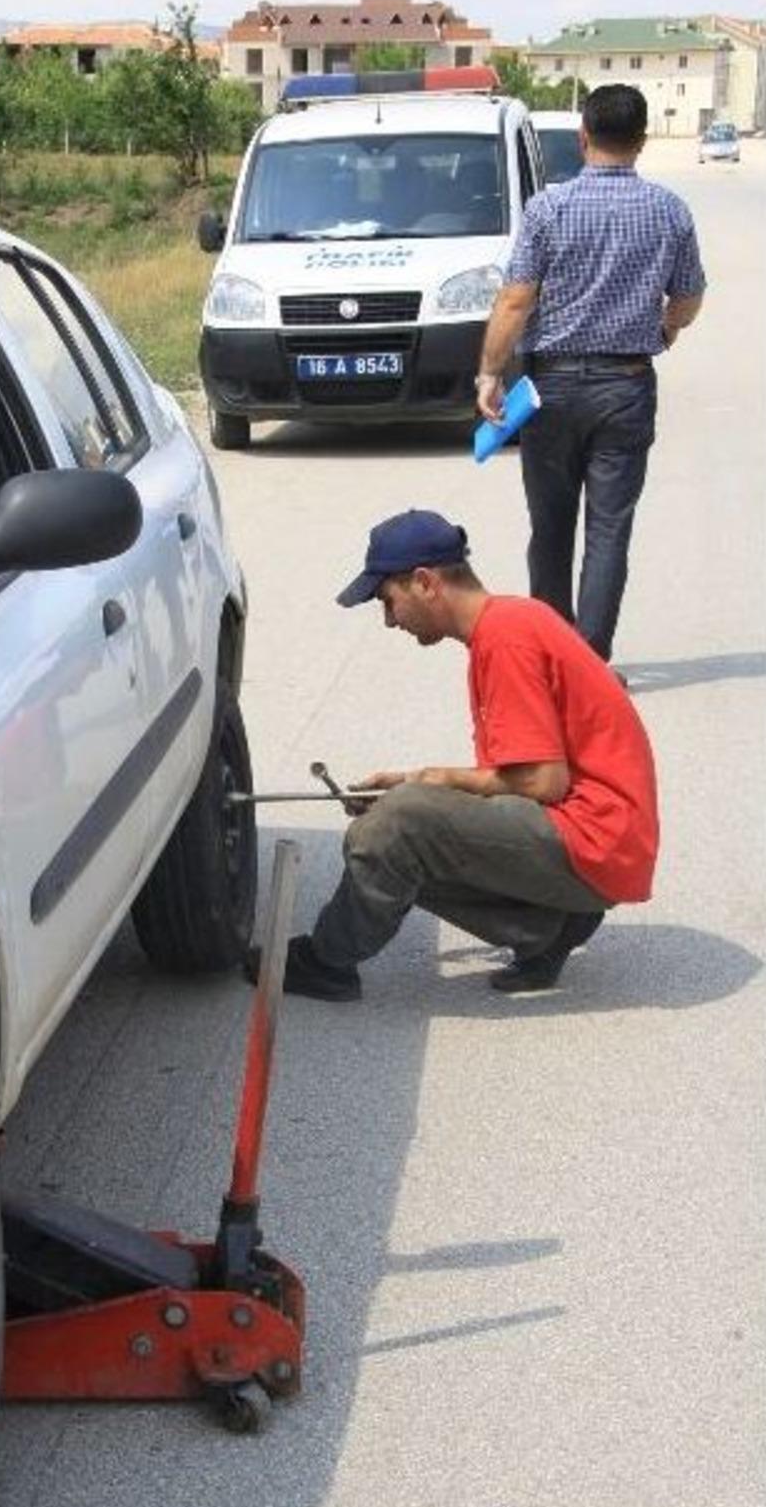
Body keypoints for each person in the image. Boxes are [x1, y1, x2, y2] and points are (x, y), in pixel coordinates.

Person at [247, 509, 659, 1002]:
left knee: (393, 826)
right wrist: (416, 783)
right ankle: (548, 927)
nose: (387, 620)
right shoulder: (510, 622)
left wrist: (432, 783)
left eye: (388, 601)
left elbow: (544, 782)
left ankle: (328, 962)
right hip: (601, 839)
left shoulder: (505, 637)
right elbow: (523, 775)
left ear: (424, 582)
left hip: (597, 838)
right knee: (408, 814)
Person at [476, 84, 705, 667]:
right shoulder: (669, 209)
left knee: (550, 526)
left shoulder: (547, 209)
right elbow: (687, 296)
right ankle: (591, 661)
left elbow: (514, 301)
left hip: (550, 389)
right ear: (643, 142)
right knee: (609, 530)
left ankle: (553, 658)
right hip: (626, 385)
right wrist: (667, 330)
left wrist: (488, 374)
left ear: (583, 137)